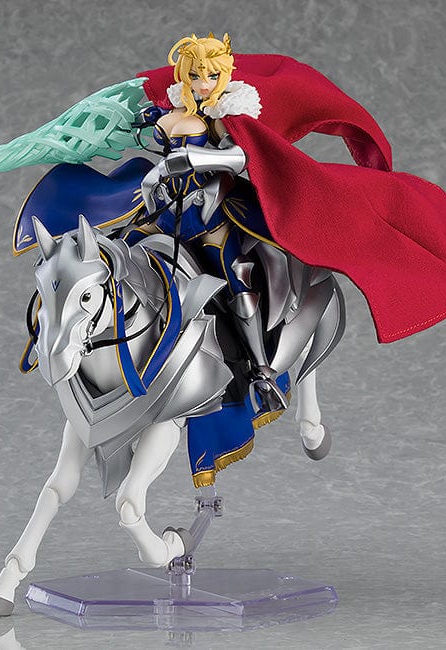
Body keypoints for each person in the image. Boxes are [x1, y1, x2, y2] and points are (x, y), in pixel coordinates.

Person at [126, 33, 289, 415]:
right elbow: (150, 131)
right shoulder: (175, 107)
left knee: (237, 282)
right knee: (120, 250)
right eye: (195, 75)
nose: (203, 83)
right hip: (165, 210)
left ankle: (261, 372)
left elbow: (240, 158)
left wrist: (191, 160)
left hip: (207, 215)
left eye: (212, 76)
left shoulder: (225, 115)